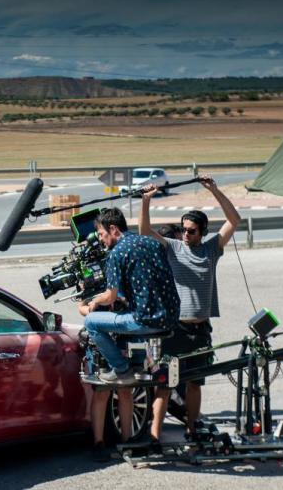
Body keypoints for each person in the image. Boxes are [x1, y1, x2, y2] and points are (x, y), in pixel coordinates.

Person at [139, 175, 241, 441]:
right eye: (184, 229)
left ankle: (192, 428)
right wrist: (146, 202)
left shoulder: (211, 249)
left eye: (191, 230)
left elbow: (234, 221)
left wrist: (214, 190)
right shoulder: (174, 247)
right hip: (177, 329)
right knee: (166, 385)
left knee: (195, 383)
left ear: (202, 232)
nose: (186, 233)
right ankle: (154, 434)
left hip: (201, 330)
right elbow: (144, 231)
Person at [83, 207, 180, 386]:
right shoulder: (152, 243)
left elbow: (110, 297)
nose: (101, 239)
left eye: (101, 233)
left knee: (91, 321)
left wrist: (94, 301)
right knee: (126, 310)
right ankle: (137, 363)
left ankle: (121, 370)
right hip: (172, 317)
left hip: (147, 320)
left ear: (113, 229)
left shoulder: (117, 253)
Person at [78, 299, 134, 462]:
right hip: (100, 340)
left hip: (121, 335)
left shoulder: (121, 274)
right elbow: (82, 307)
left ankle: (127, 441)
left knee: (125, 389)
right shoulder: (92, 277)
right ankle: (98, 443)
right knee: (102, 391)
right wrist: (94, 309)